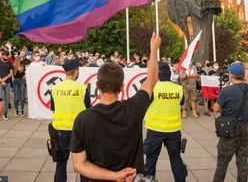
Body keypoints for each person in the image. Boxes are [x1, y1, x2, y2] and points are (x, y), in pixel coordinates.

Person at [70, 33, 161, 181]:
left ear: (97, 86)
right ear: (122, 87)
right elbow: (152, 78)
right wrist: (154, 49)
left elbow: (78, 165)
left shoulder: (83, 119)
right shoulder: (134, 108)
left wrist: (114, 176)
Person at [144, 62, 187, 181]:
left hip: (154, 130)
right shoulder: (178, 88)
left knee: (151, 159)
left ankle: (149, 180)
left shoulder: (152, 88)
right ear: (169, 74)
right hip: (173, 131)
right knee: (175, 158)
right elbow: (182, 103)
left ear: (157, 75)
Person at [50, 59, 91, 182]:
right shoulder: (83, 88)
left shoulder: (55, 88)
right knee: (83, 163)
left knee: (61, 163)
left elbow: (53, 109)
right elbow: (88, 111)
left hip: (60, 130)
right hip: (79, 131)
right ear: (76, 72)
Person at [213, 63, 248, 182]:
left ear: (231, 75)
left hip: (231, 129)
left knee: (223, 161)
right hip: (246, 127)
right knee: (243, 159)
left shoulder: (227, 90)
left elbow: (216, 108)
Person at [0, 50, 13, 120]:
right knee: (0, 97)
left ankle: (5, 113)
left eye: (7, 55)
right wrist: (1, 80)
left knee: (7, 98)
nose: (6, 57)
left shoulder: (9, 63)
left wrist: (5, 78)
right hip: (0, 83)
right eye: (4, 55)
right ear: (2, 55)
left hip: (7, 83)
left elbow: (11, 73)